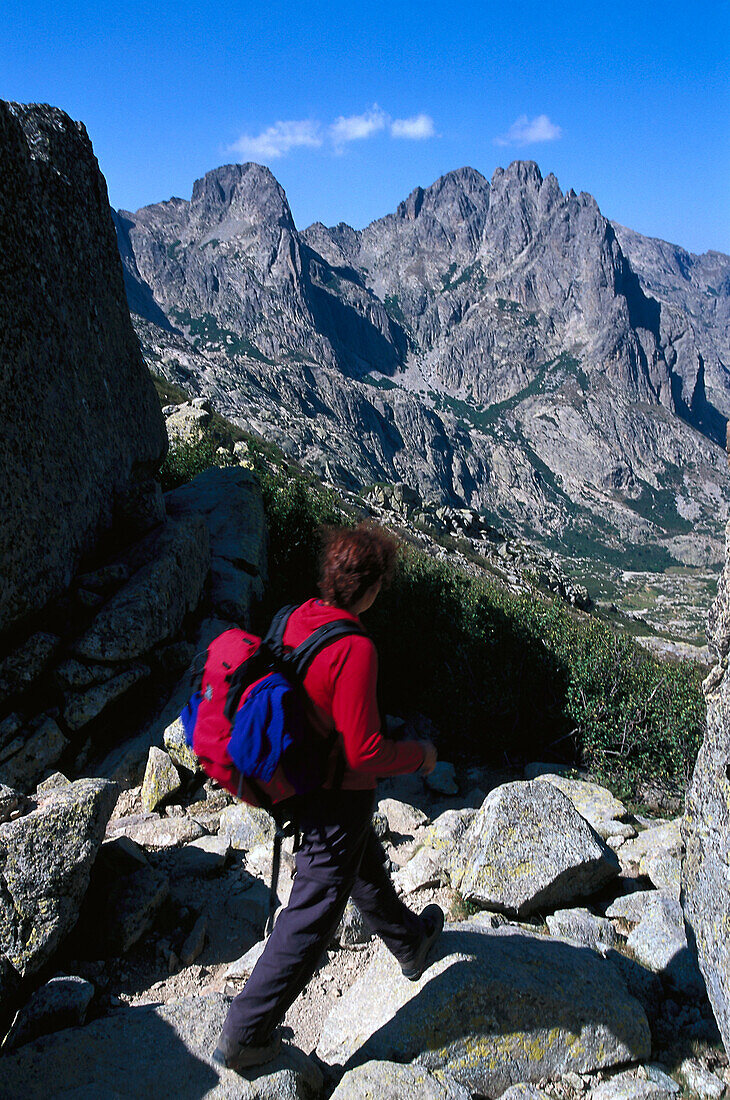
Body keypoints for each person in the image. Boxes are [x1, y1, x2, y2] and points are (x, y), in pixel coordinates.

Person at [213, 522, 443, 1071]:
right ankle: (246, 1030)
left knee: (363, 867)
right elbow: (364, 751)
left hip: (297, 781)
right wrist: (421, 757)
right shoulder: (356, 647)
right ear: (368, 588)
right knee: (314, 912)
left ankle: (410, 942)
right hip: (337, 796)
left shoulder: (295, 617)